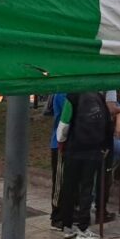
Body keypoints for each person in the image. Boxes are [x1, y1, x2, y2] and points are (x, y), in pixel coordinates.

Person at [56, 91, 113, 239]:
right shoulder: (99, 97)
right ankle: (83, 228)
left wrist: (61, 142)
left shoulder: (72, 96)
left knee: (69, 186)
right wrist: (106, 146)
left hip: (73, 149)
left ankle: (67, 226)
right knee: (87, 188)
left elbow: (64, 124)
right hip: (93, 150)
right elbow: (108, 123)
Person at [48, 92, 68, 230]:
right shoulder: (61, 94)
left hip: (71, 143)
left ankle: (67, 213)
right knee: (59, 181)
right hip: (60, 144)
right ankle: (56, 216)